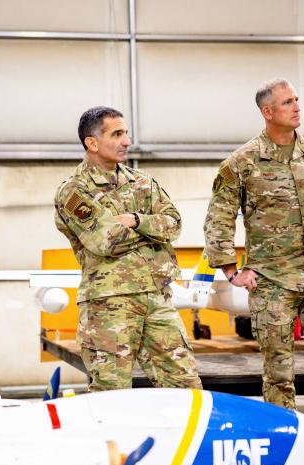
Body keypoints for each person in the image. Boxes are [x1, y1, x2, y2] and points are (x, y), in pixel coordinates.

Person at [204, 79, 304, 426]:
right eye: (287, 102)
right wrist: (231, 271)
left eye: (297, 100)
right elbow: (218, 217)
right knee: (279, 372)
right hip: (272, 281)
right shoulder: (242, 162)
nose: (297, 107)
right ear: (268, 112)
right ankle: (286, 443)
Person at [54, 106, 202, 392]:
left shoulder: (143, 182)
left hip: (157, 300)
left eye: (126, 133)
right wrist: (151, 232)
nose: (127, 141)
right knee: (111, 393)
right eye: (117, 134)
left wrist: (135, 220)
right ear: (92, 142)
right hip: (109, 306)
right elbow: (104, 241)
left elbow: (174, 225)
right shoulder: (74, 191)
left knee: (185, 387)